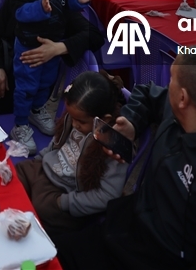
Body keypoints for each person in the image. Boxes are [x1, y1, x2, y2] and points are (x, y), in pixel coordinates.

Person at [57, 53, 196, 270]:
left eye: (171, 79)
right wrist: (132, 122)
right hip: (124, 228)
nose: (167, 85)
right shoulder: (191, 110)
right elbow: (146, 94)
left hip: (154, 259)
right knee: (44, 259)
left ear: (183, 98)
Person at [7, 0, 102, 154]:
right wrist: (39, 8)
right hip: (30, 46)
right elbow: (17, 12)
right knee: (26, 86)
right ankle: (20, 124)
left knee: (46, 82)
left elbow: (65, 2)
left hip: (53, 41)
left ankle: (37, 110)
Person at [14, 71, 128, 232]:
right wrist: (38, 161)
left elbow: (107, 195)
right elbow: (55, 145)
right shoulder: (72, 118)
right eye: (71, 117)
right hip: (45, 170)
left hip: (66, 192)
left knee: (41, 208)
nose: (74, 124)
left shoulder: (112, 148)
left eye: (81, 121)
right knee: (14, 174)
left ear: (106, 119)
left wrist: (65, 202)